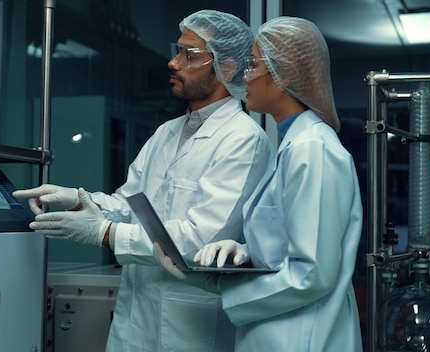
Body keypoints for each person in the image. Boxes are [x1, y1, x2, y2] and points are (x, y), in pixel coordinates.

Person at [12, 9, 274, 352]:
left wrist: (105, 233)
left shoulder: (243, 140)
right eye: (176, 51)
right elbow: (130, 204)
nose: (173, 63)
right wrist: (81, 199)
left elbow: (201, 241)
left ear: (226, 67)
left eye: (188, 55)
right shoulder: (167, 132)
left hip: (189, 328)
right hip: (135, 321)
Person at [154, 16, 364, 351]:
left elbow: (312, 274)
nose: (244, 75)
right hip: (276, 334)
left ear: (285, 74)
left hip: (303, 338)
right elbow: (293, 244)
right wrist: (248, 254)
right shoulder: (293, 145)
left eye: (253, 64)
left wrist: (220, 286)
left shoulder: (314, 149)